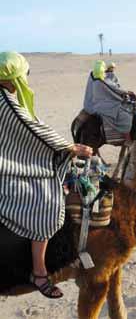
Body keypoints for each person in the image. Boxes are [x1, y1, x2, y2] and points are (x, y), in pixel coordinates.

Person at [0, 51, 92, 298]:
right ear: (12, 78)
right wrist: (70, 148)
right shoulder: (6, 101)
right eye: (23, 75)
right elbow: (33, 131)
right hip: (4, 170)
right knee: (46, 202)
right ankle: (39, 272)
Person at [83, 60, 136, 141]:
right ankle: (127, 138)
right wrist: (126, 92)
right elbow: (115, 89)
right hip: (104, 105)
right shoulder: (103, 80)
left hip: (96, 104)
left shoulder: (94, 79)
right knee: (125, 115)